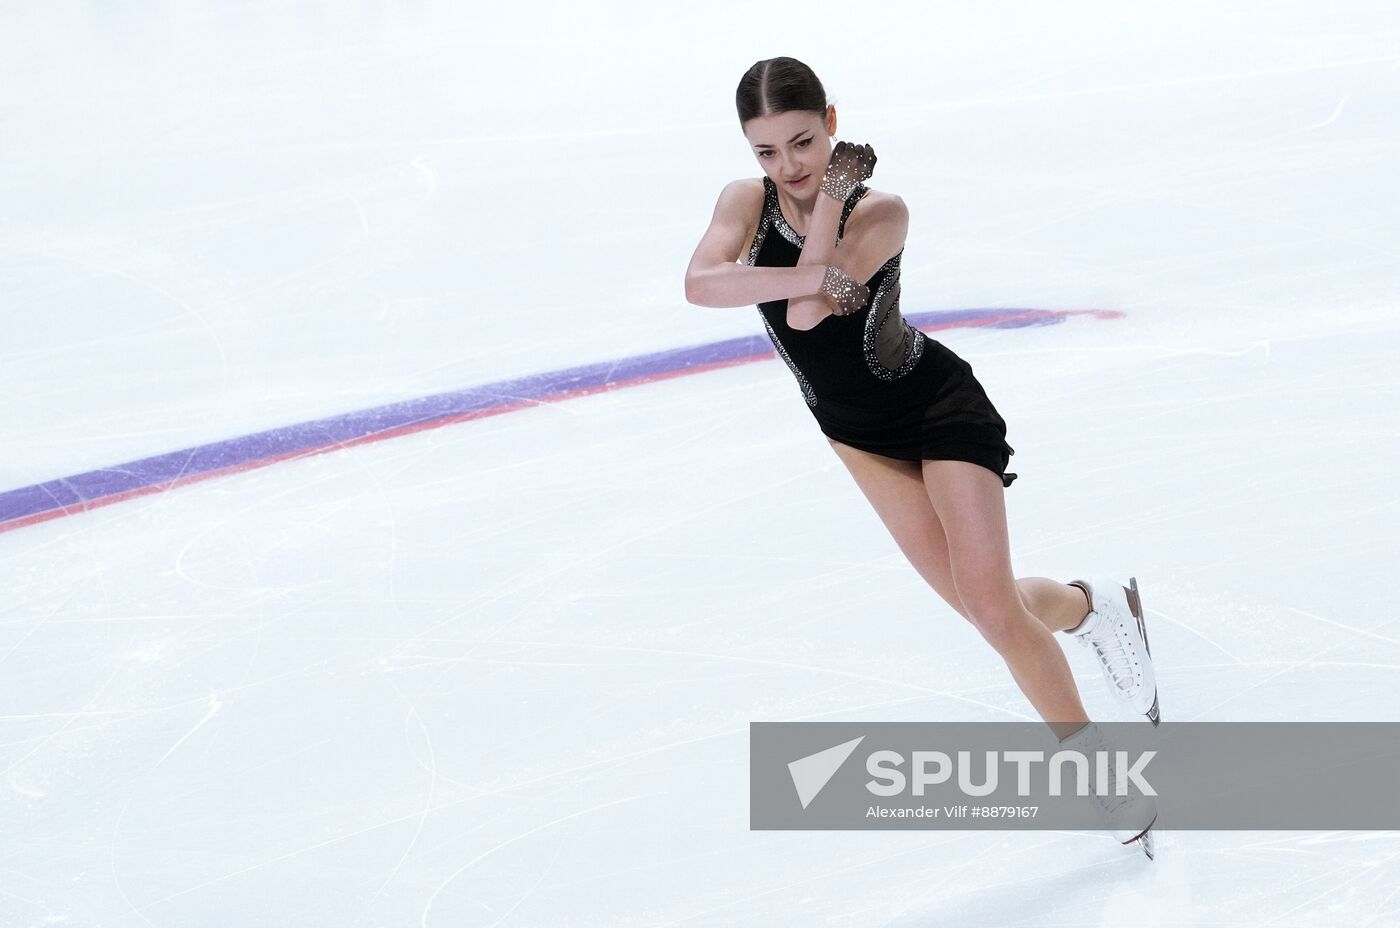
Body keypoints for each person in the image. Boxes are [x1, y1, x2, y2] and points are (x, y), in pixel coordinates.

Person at [683, 57, 1161, 855]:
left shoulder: (882, 211)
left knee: (993, 605)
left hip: (935, 410)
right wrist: (809, 213)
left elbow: (803, 311)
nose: (788, 168)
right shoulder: (745, 201)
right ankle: (1093, 606)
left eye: (803, 144)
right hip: (854, 434)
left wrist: (835, 199)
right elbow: (700, 284)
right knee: (988, 608)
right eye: (766, 152)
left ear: (831, 121)